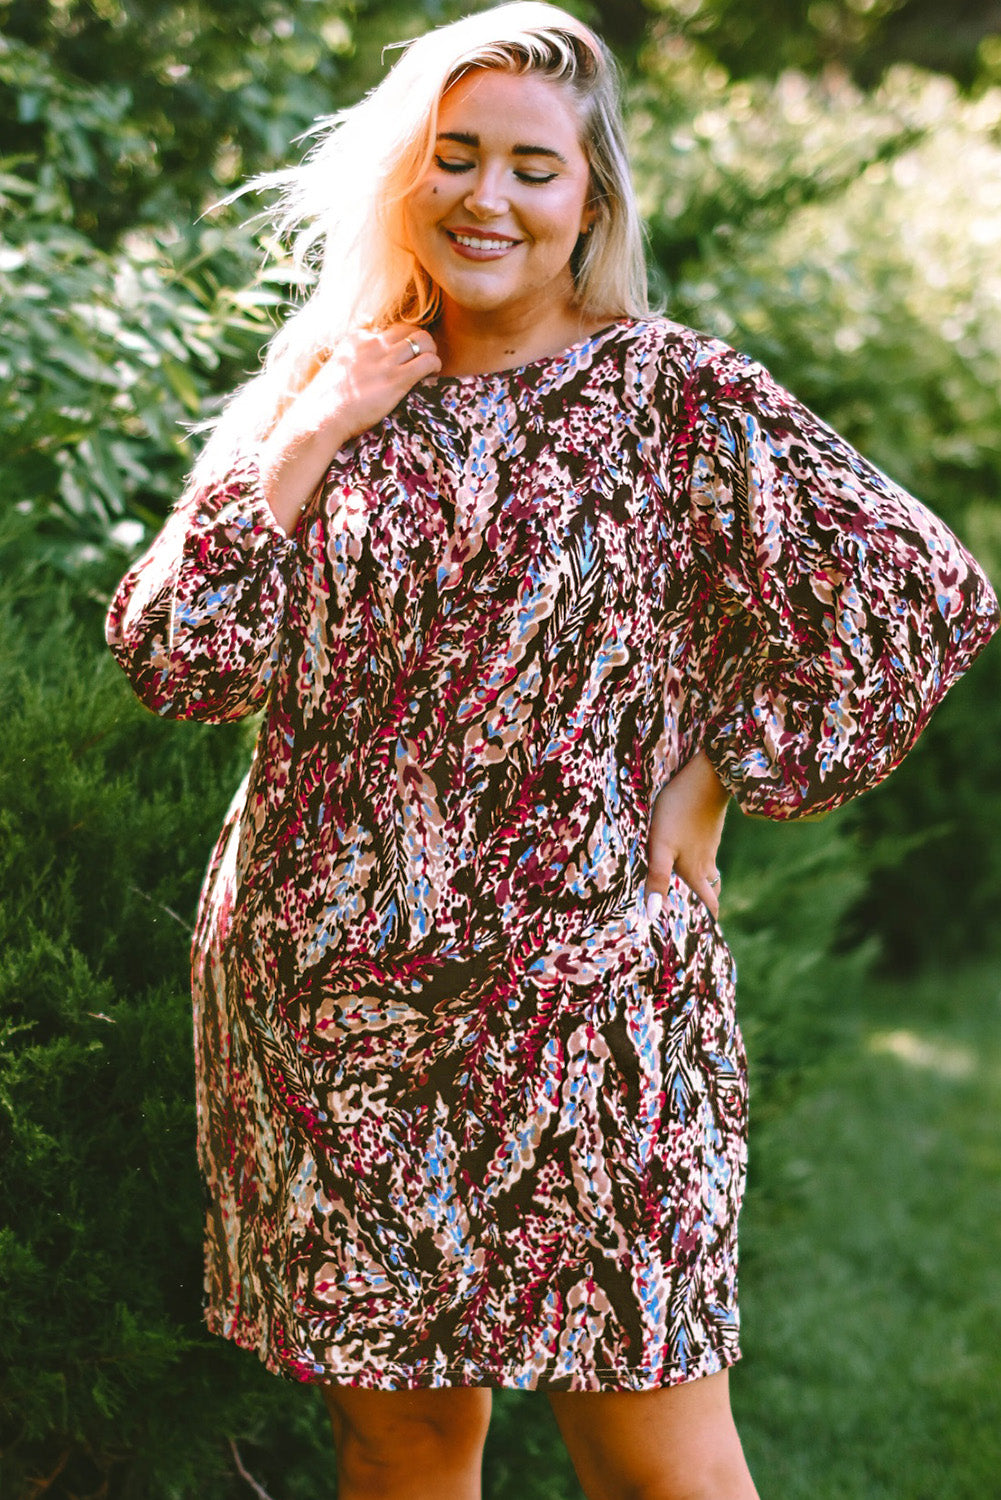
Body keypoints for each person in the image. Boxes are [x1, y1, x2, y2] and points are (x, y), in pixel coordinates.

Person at [105, 4, 999, 1496]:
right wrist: (308, 433)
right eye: (455, 156)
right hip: (327, 1001)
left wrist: (718, 772)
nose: (487, 197)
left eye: (532, 167)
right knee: (400, 1438)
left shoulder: (673, 397)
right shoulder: (331, 384)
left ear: (591, 201)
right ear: (406, 175)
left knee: (658, 1454)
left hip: (594, 998)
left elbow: (918, 592)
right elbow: (176, 659)